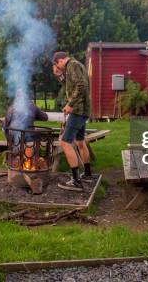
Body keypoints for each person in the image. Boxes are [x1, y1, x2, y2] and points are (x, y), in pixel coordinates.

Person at [52, 51, 93, 192]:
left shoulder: (72, 65)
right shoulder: (72, 66)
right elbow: (69, 85)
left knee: (65, 142)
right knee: (80, 142)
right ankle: (87, 174)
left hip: (78, 110)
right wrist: (59, 76)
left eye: (58, 65)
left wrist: (70, 104)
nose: (59, 67)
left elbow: (81, 86)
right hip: (83, 110)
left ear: (60, 60)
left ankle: (75, 180)